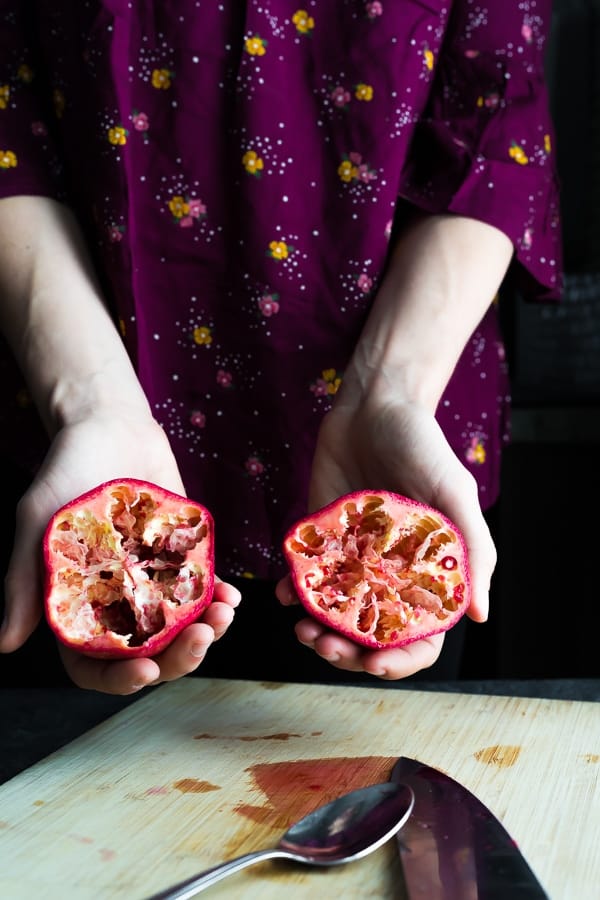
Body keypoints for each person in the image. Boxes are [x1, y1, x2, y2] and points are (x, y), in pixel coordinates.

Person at [0, 2, 561, 694]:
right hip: (69, 399)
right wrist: (90, 402)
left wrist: (390, 389)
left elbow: (498, 130)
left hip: (396, 436)